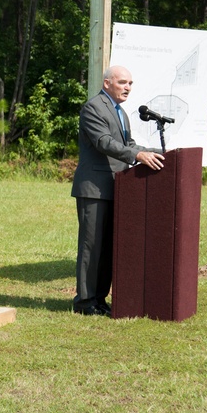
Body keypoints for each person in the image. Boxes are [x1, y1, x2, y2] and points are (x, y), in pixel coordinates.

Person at [71, 65, 164, 316]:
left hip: (117, 187)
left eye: (131, 83)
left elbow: (128, 145)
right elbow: (103, 142)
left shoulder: (121, 112)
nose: (128, 87)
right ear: (107, 83)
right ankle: (85, 302)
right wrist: (137, 155)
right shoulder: (93, 107)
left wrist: (156, 153)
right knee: (92, 246)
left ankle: (100, 300)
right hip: (94, 188)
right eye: (123, 82)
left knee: (108, 247)